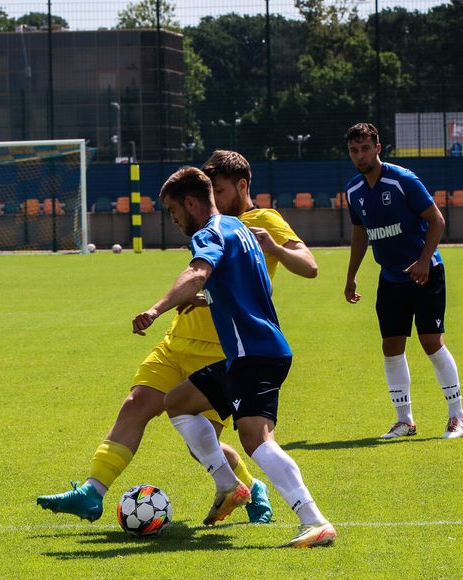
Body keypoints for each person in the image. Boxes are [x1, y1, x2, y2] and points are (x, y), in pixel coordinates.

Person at [36, 151, 317, 525]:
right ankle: (93, 491)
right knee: (138, 403)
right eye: (210, 190)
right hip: (180, 339)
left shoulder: (255, 224)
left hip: (225, 348)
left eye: (219, 189)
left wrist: (273, 247)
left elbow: (308, 266)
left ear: (241, 186)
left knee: (213, 442)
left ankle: (261, 493)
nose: (214, 198)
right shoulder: (223, 229)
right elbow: (222, 280)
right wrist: (204, 297)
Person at [134, 167, 335, 548]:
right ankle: (229, 485)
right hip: (248, 353)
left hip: (254, 353)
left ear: (191, 203)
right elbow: (239, 281)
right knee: (176, 402)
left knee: (256, 439)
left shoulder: (210, 233)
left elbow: (198, 271)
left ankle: (314, 519)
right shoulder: (236, 227)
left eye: (176, 214)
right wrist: (205, 298)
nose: (176, 222)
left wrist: (157, 308)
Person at [343, 122, 463, 440]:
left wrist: (425, 260)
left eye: (365, 149)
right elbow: (360, 234)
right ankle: (404, 421)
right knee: (391, 347)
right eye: (354, 151)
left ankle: (457, 416)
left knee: (431, 342)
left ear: (377, 148)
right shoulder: (354, 191)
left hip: (426, 274)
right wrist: (351, 276)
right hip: (390, 278)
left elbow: (437, 219)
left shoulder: (403, 180)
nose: (360, 156)